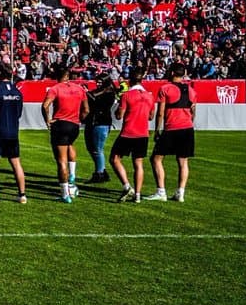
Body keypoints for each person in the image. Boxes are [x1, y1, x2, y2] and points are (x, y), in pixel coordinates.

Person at [147, 62, 196, 202]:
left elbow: (160, 113)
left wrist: (157, 130)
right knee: (183, 161)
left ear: (173, 73)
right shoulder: (191, 90)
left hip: (171, 128)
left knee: (156, 159)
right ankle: (180, 192)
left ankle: (161, 191)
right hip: (187, 128)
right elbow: (193, 111)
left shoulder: (165, 88)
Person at [41, 65, 89, 203]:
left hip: (60, 123)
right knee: (70, 145)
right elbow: (86, 109)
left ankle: (65, 194)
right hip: (74, 125)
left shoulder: (55, 89)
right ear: (68, 76)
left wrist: (48, 120)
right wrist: (79, 120)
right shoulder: (79, 89)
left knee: (61, 161)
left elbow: (45, 105)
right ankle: (72, 175)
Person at [0, 63, 27, 204]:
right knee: (16, 162)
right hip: (13, 132)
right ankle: (22, 194)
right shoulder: (17, 92)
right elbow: (19, 113)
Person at [111, 68, 154, 204]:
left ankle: (127, 186)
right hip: (143, 132)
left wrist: (118, 106)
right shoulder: (149, 95)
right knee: (138, 163)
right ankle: (138, 195)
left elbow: (119, 116)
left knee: (115, 158)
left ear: (130, 80)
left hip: (128, 132)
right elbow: (151, 116)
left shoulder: (127, 95)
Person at [84, 74, 117, 183]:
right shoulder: (99, 91)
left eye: (100, 82)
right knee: (91, 148)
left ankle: (99, 173)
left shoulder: (109, 93)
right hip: (93, 122)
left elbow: (96, 101)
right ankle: (101, 170)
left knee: (98, 149)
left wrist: (87, 93)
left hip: (101, 122)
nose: (98, 84)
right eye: (97, 81)